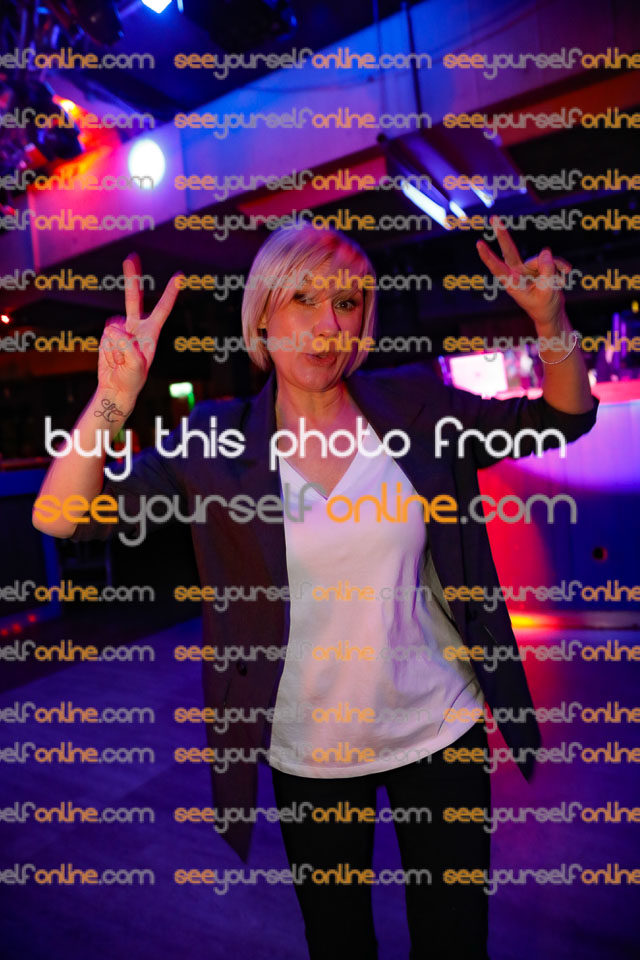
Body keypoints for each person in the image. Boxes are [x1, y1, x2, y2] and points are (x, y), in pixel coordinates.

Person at [33, 219, 598, 960]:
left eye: (347, 302)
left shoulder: (414, 406)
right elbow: (62, 516)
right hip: (311, 752)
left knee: (456, 943)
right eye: (303, 298)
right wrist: (114, 397)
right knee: (339, 944)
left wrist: (551, 324)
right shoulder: (218, 442)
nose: (328, 325)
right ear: (262, 315)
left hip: (441, 729)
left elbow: (563, 417)